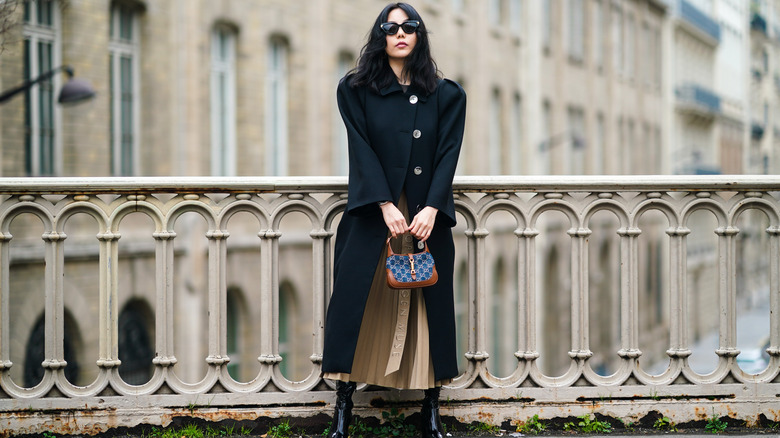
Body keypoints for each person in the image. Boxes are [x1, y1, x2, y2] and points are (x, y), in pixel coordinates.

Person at [321, 3, 467, 438]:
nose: (400, 34)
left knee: (429, 306)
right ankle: (343, 409)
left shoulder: (448, 95)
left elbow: (448, 156)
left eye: (409, 27)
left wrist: (431, 209)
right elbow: (360, 149)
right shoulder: (355, 89)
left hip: (425, 216)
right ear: (380, 35)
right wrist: (384, 204)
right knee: (357, 302)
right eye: (391, 27)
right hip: (373, 211)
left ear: (420, 35)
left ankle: (431, 410)